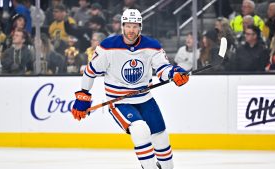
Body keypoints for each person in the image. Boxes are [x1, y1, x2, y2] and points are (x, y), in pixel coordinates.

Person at [71, 9, 189, 169]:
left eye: (135, 26)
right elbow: (90, 72)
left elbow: (162, 69)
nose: (131, 30)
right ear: (122, 26)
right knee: (140, 130)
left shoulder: (152, 46)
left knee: (161, 136)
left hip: (145, 99)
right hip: (120, 102)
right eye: (128, 26)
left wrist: (174, 73)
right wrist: (83, 95)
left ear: (140, 27)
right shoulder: (108, 47)